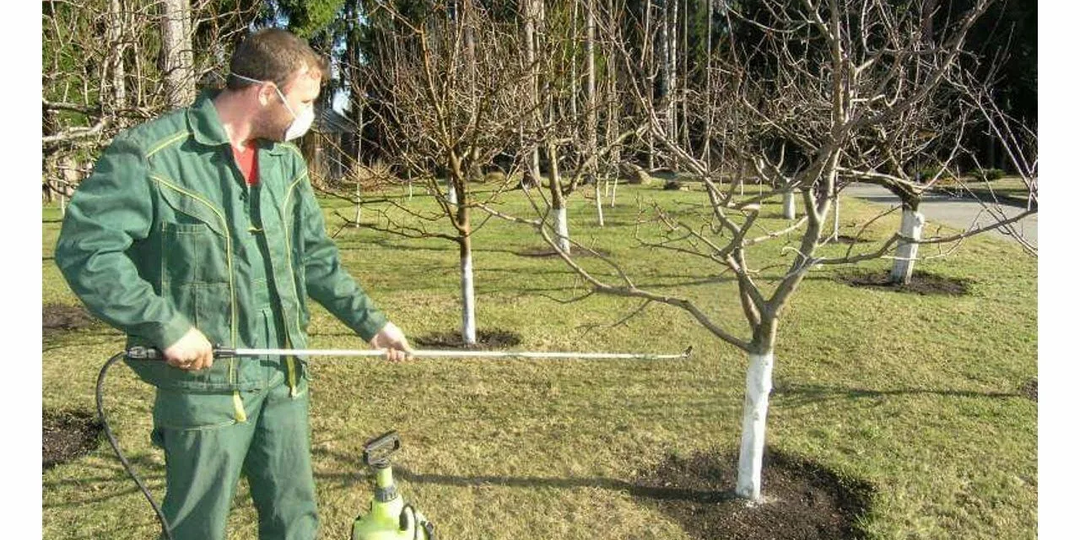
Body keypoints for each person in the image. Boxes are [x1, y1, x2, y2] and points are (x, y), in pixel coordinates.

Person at [55, 28, 412, 539]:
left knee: (295, 521)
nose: (308, 116)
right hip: (205, 391)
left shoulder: (285, 162)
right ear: (268, 92)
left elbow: (313, 258)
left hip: (285, 376)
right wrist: (165, 325)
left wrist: (372, 323)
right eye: (305, 102)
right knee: (199, 528)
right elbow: (87, 250)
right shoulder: (152, 156)